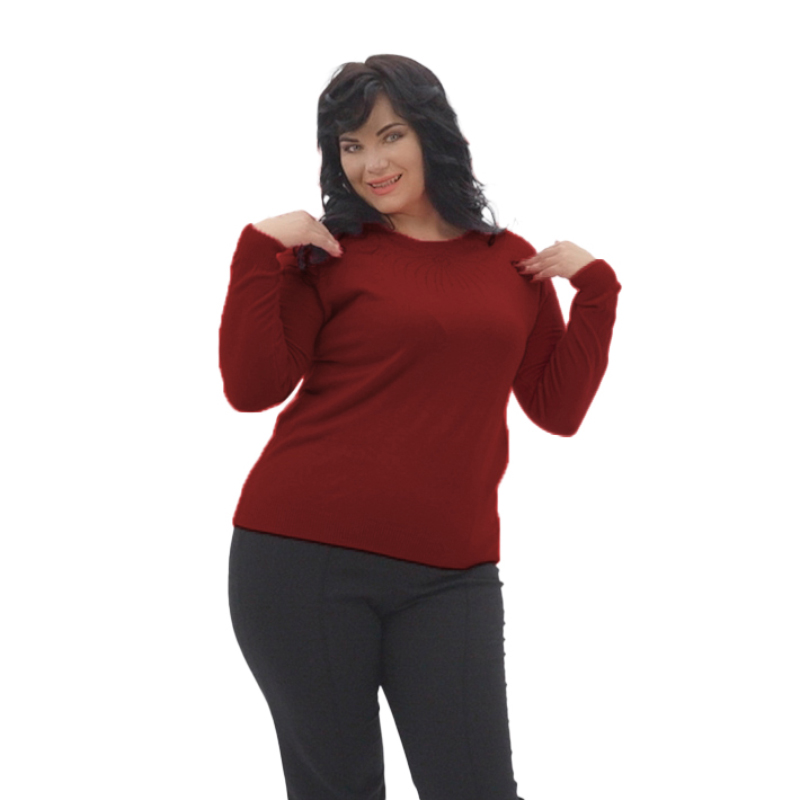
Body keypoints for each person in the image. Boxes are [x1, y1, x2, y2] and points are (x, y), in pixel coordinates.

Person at [219, 54, 622, 800]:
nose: (371, 164)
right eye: (350, 145)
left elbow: (556, 409)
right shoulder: (329, 256)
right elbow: (253, 390)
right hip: (303, 559)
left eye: (390, 135)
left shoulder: (510, 262)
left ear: (430, 133)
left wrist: (597, 292)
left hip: (453, 574)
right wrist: (257, 250)